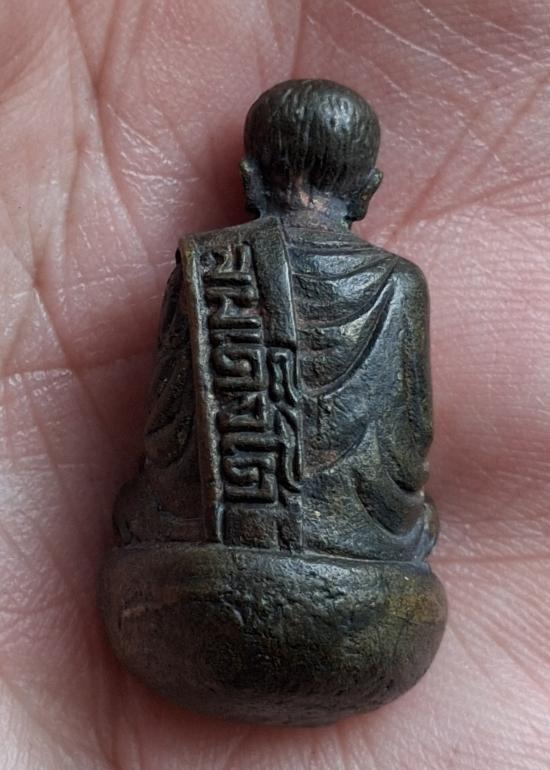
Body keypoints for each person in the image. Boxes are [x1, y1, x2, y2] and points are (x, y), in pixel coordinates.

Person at [1, 0, 548, 765]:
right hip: (368, 614)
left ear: (249, 178)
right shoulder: (397, 285)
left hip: (181, 604)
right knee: (413, 521)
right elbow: (407, 442)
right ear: (368, 187)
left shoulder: (211, 266)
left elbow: (168, 434)